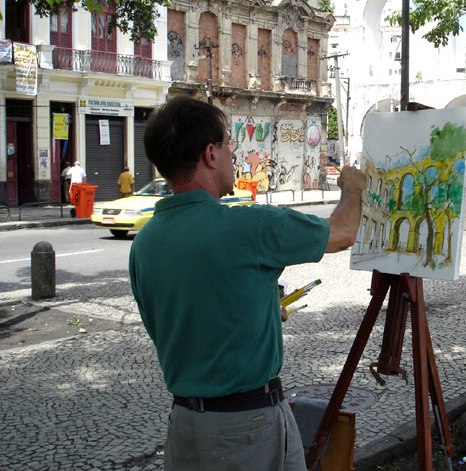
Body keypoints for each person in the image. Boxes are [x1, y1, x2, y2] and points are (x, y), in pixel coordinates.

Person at [129, 96, 365, 471]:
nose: (233, 152)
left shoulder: (144, 243)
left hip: (184, 428)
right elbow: (343, 232)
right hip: (247, 428)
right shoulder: (249, 225)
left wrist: (256, 314)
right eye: (227, 143)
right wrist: (352, 189)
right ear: (209, 154)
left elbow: (182, 327)